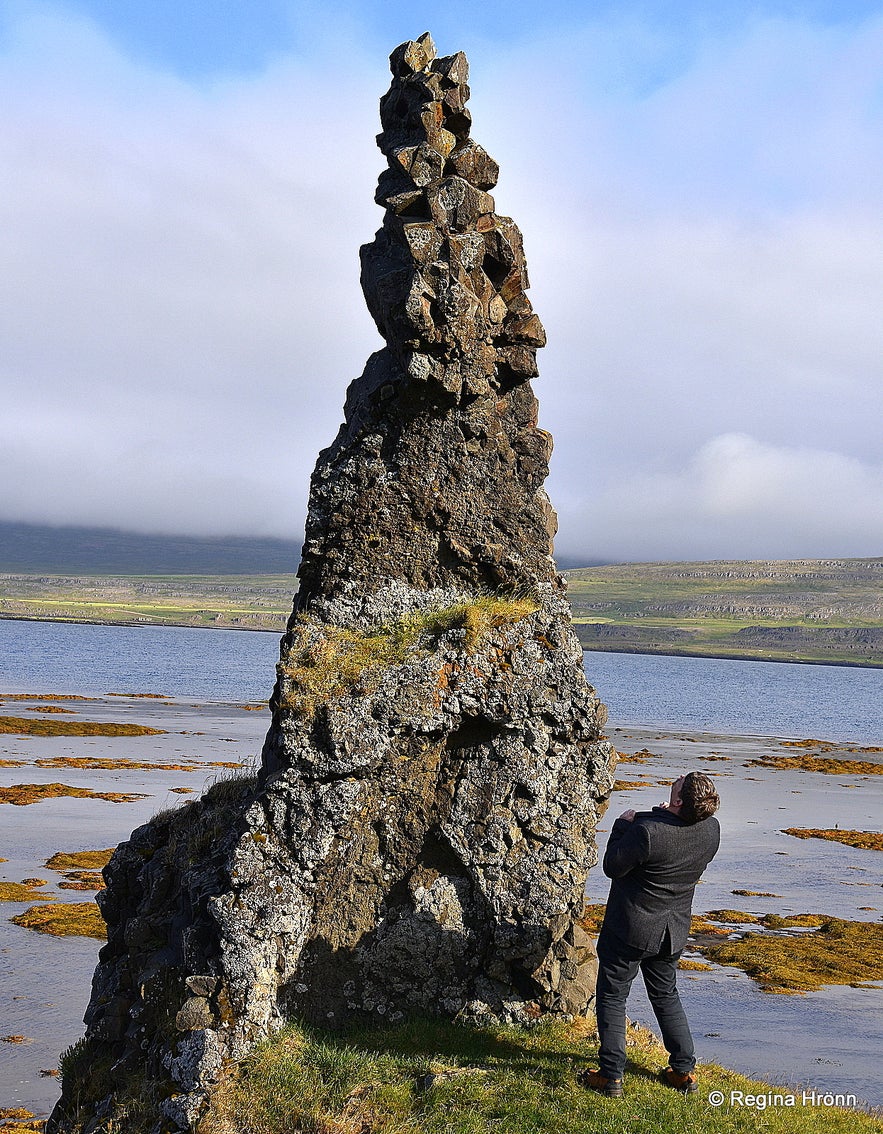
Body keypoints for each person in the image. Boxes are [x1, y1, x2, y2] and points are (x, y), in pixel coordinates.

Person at [580, 771, 721, 1098]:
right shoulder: (710, 830)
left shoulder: (647, 831)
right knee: (665, 994)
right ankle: (684, 1071)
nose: (680, 776)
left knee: (613, 996)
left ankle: (611, 1075)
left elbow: (613, 866)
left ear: (680, 800)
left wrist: (622, 825)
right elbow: (676, 836)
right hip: (672, 932)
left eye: (683, 780)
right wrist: (663, 816)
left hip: (630, 930)